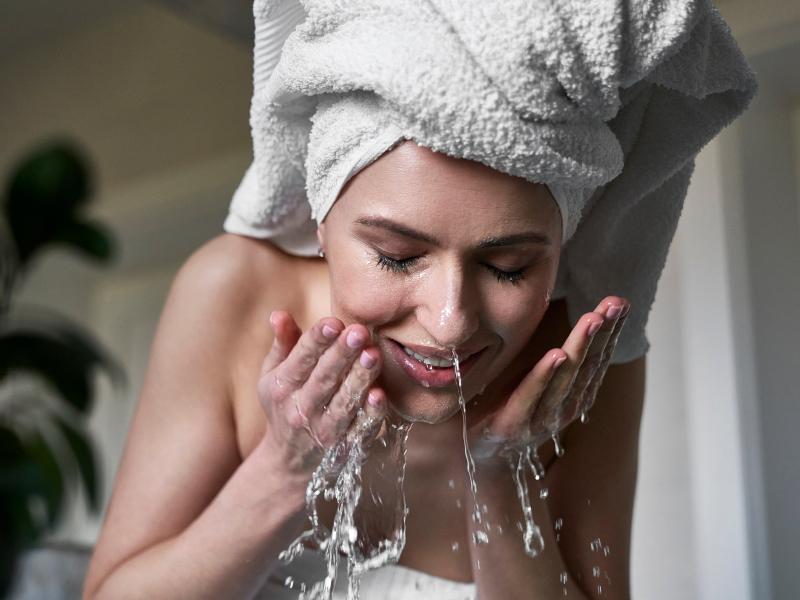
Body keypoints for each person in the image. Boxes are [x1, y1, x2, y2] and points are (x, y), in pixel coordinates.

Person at [83, 1, 756, 598]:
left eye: (510, 267)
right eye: (398, 256)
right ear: (322, 218)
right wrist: (285, 473)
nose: (451, 320)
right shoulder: (232, 294)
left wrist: (500, 475)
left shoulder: (576, 357)